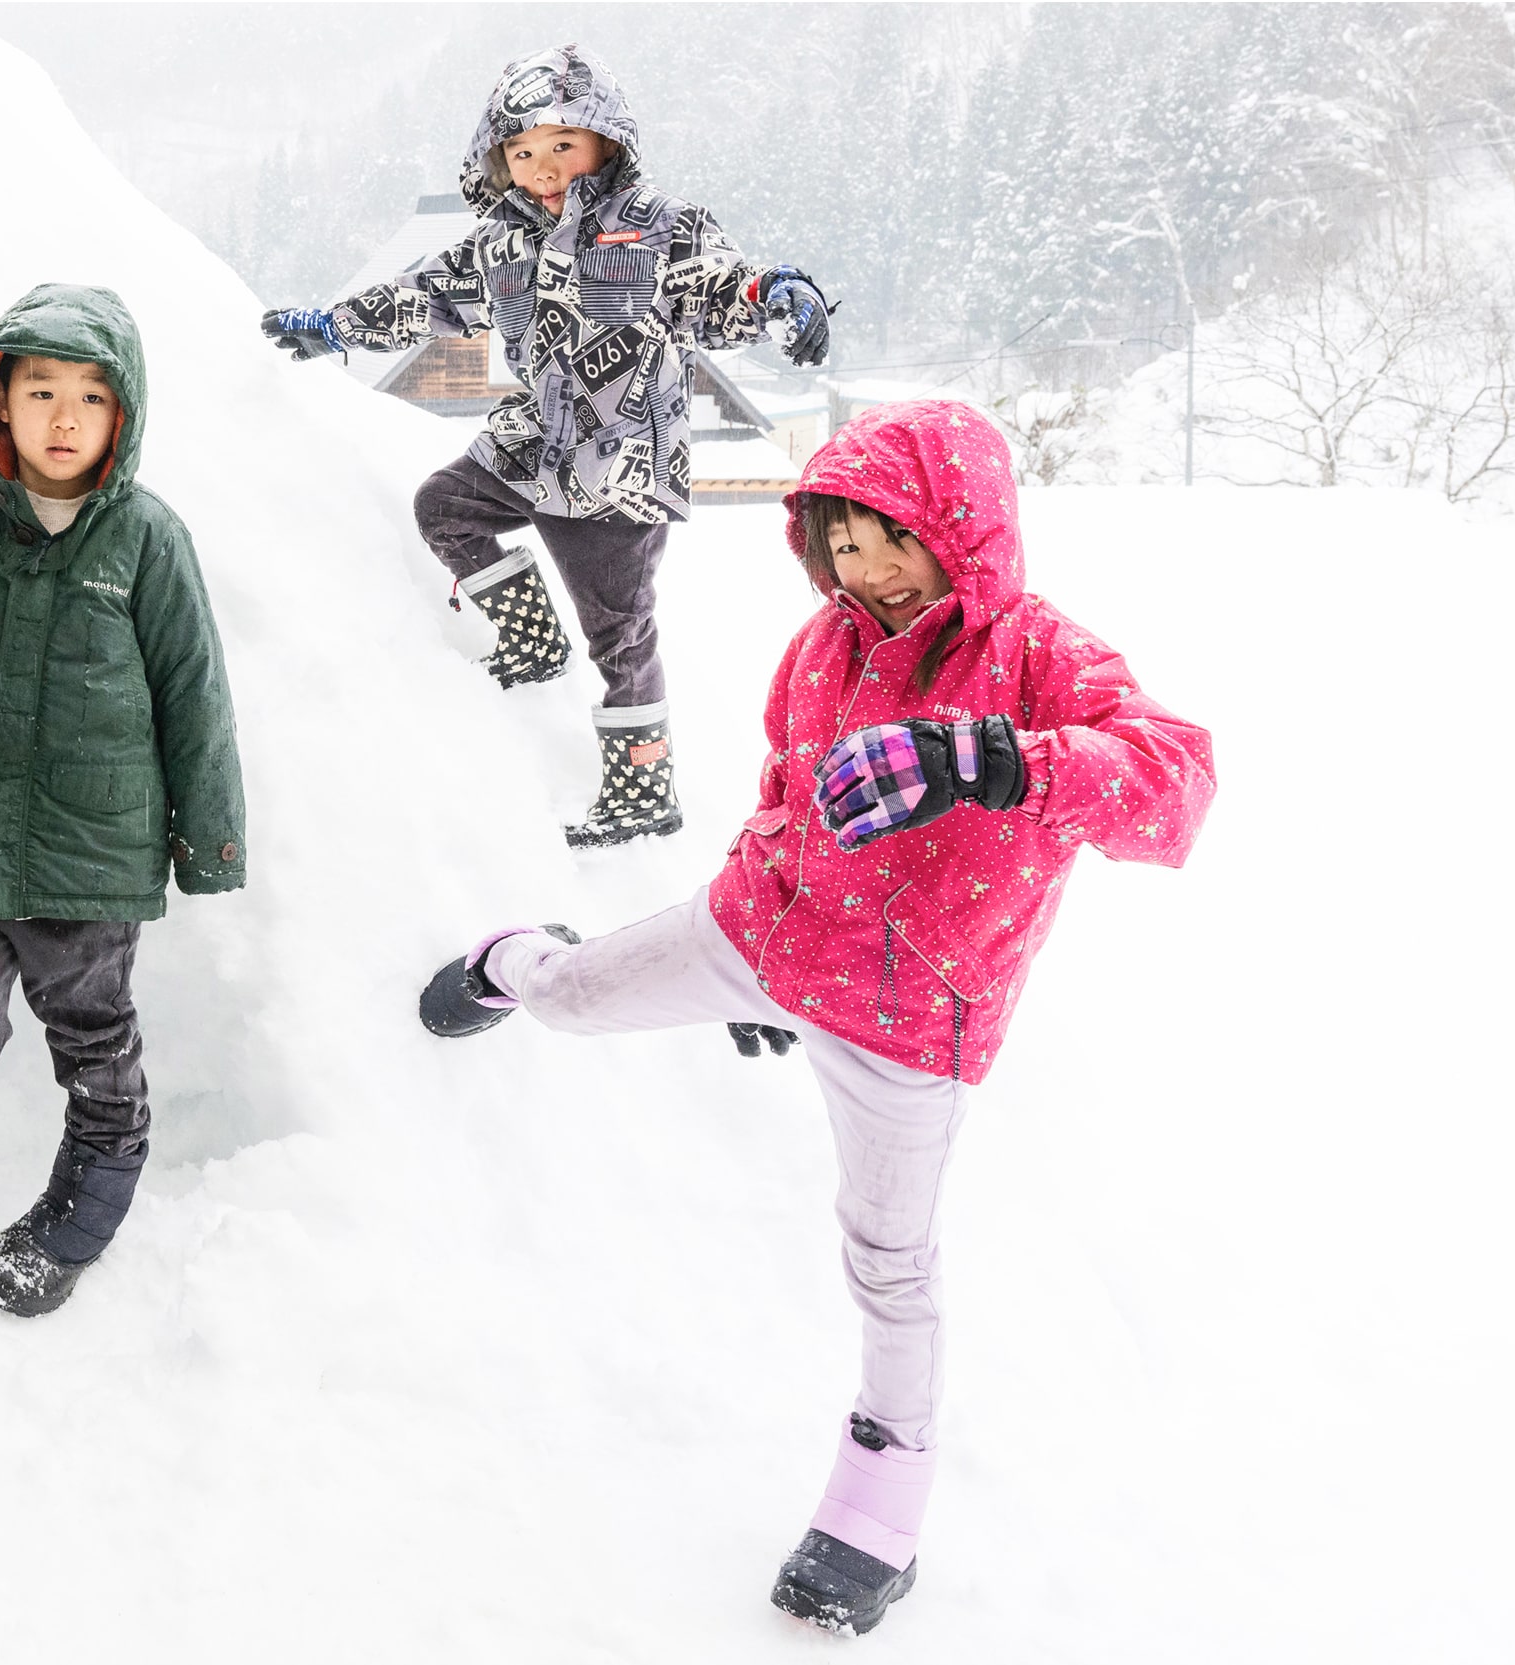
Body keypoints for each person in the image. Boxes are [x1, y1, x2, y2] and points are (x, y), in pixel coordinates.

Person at [416, 400, 1215, 1635]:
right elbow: (784, 795)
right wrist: (770, 960)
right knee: (573, 1002)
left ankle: (877, 1511)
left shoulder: (1047, 662)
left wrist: (995, 761)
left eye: (891, 540)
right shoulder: (819, 653)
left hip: (910, 1021)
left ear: (963, 530)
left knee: (889, 1262)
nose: (866, 573)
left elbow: (1174, 791)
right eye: (840, 546)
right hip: (760, 937)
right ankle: (514, 959)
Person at [261, 43, 834, 848]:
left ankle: (643, 787)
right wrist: (336, 326)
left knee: (620, 631)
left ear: (608, 142)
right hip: (535, 439)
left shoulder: (657, 228)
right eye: (522, 151)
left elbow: (717, 281)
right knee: (444, 507)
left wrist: (775, 293)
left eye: (563, 144)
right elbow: (426, 296)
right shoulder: (500, 243)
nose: (542, 166)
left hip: (621, 466)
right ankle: (530, 640)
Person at [0, 283, 245, 1317]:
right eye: (40, 391)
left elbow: (194, 692)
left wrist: (208, 845)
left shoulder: (147, 538)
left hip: (93, 855)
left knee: (93, 1037)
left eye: (91, 398)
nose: (64, 419)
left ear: (124, 414)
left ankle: (84, 1210)